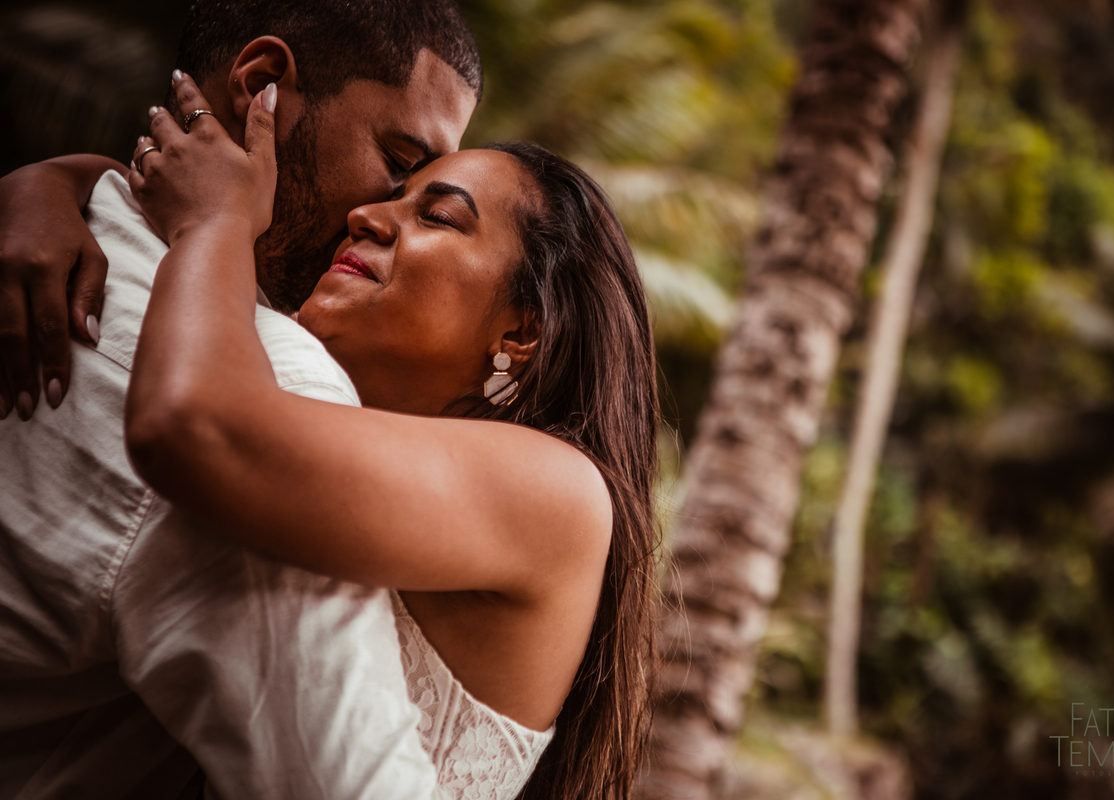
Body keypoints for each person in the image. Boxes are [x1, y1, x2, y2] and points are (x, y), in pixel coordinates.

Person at [122, 75, 659, 799]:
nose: (365, 216)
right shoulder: (311, 405)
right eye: (393, 196)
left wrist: (213, 223)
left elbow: (191, 427)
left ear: (522, 332)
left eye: (438, 216)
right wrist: (55, 188)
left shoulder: (561, 493)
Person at [0, 0, 482, 796]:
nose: (379, 216)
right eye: (399, 162)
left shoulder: (64, 232)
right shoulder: (274, 388)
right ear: (261, 86)